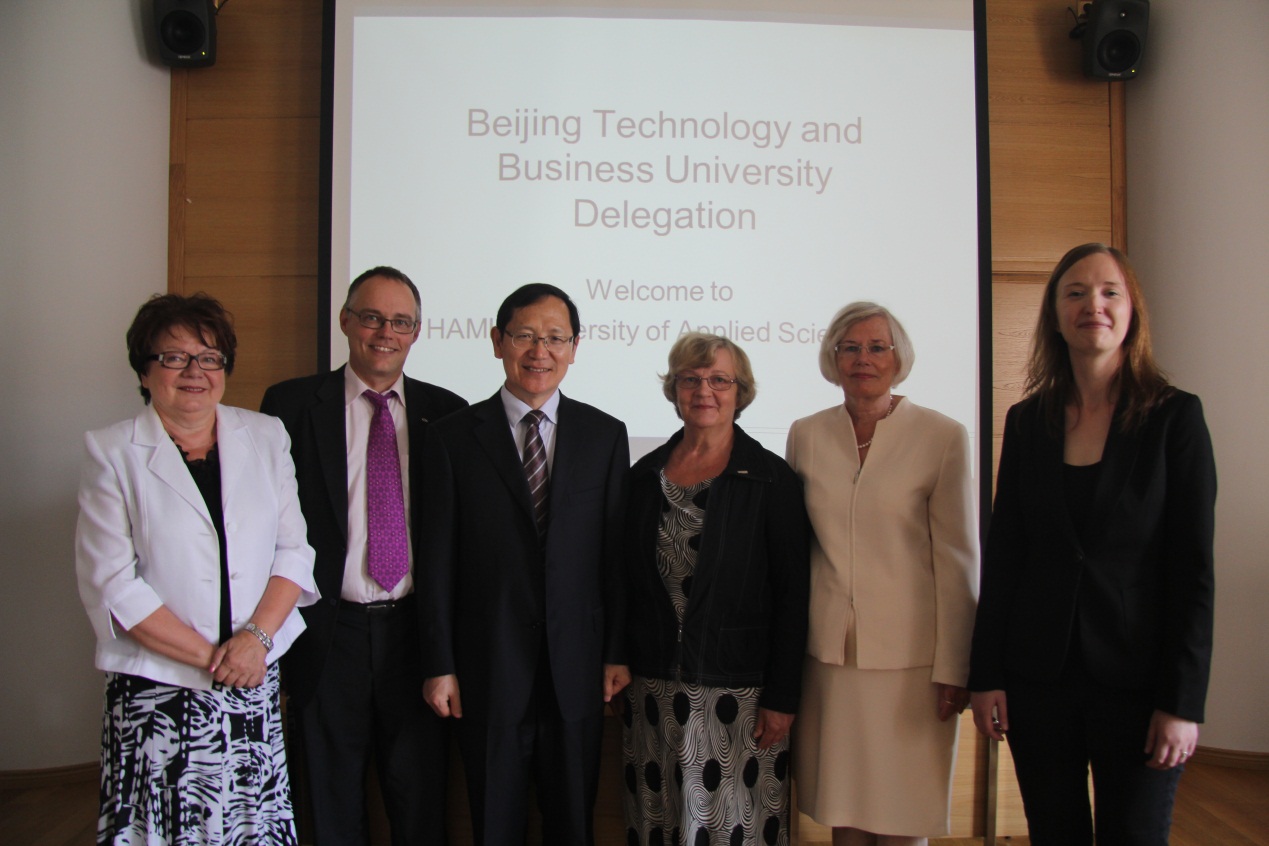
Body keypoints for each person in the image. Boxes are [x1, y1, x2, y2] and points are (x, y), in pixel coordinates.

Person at [968, 243, 1216, 845]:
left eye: (1109, 292)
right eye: (1074, 293)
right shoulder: (1028, 422)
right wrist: (986, 675)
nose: (1092, 306)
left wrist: (1183, 703)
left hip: (1140, 685)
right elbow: (1006, 558)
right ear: (1055, 316)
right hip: (1038, 681)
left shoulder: (1175, 418)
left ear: (1132, 312)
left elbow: (1193, 573)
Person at [76, 293, 318, 844]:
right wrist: (218, 660)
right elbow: (115, 586)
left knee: (249, 823)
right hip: (159, 689)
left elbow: (293, 552)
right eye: (174, 357)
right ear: (144, 370)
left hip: (253, 677)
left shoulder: (265, 435)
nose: (195, 372)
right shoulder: (111, 452)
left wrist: (254, 643)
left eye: (210, 358)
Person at [260, 267, 467, 845]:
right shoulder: (290, 405)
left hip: (415, 637)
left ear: (417, 332)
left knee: (420, 803)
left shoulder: (448, 413)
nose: (385, 333)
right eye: (372, 317)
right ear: (346, 321)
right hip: (328, 634)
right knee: (328, 803)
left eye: (400, 322)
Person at [419, 283, 630, 846]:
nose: (541, 351)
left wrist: (616, 652)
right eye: (525, 336)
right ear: (498, 341)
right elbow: (436, 563)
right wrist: (439, 663)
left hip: (578, 671)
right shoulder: (452, 438)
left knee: (573, 824)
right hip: (486, 668)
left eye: (556, 337)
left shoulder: (605, 436)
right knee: (494, 823)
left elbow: (614, 560)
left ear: (575, 347)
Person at [787, 302, 979, 846]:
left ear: (899, 358)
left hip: (914, 664)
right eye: (849, 347)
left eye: (877, 347)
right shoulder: (806, 433)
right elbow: (796, 550)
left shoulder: (942, 435)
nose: (863, 359)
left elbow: (958, 558)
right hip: (831, 661)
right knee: (845, 812)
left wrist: (956, 665)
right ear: (833, 358)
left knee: (904, 815)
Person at [621, 333, 810, 846]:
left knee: (732, 831)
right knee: (660, 825)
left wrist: (783, 695)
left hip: (740, 698)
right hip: (653, 692)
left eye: (719, 380)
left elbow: (793, 597)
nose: (704, 390)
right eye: (691, 379)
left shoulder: (771, 479)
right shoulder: (643, 476)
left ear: (739, 391)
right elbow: (623, 581)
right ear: (674, 389)